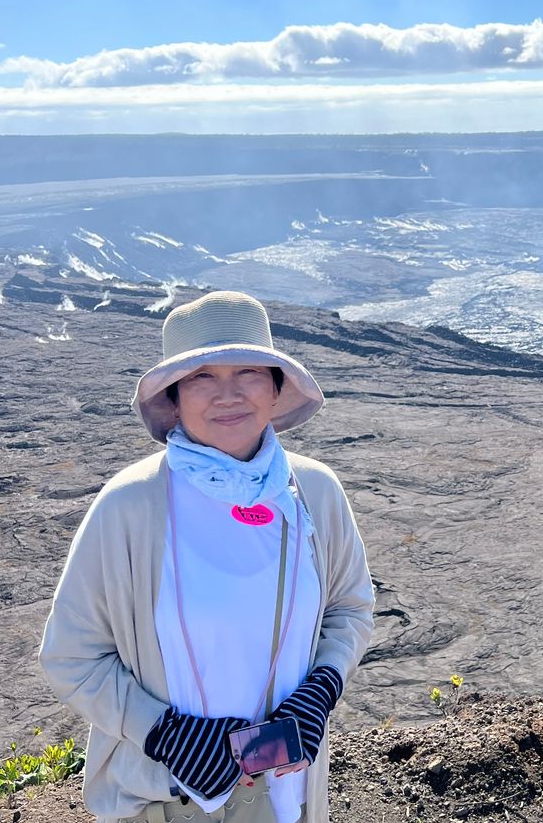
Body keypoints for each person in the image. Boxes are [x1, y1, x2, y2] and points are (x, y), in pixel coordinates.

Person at [39, 290, 376, 823]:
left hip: (288, 798)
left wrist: (321, 690)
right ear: (174, 398)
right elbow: (71, 657)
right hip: (168, 803)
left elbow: (350, 610)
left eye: (248, 372)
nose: (228, 394)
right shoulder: (129, 505)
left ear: (275, 389)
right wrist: (166, 734)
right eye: (201, 376)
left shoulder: (315, 491)